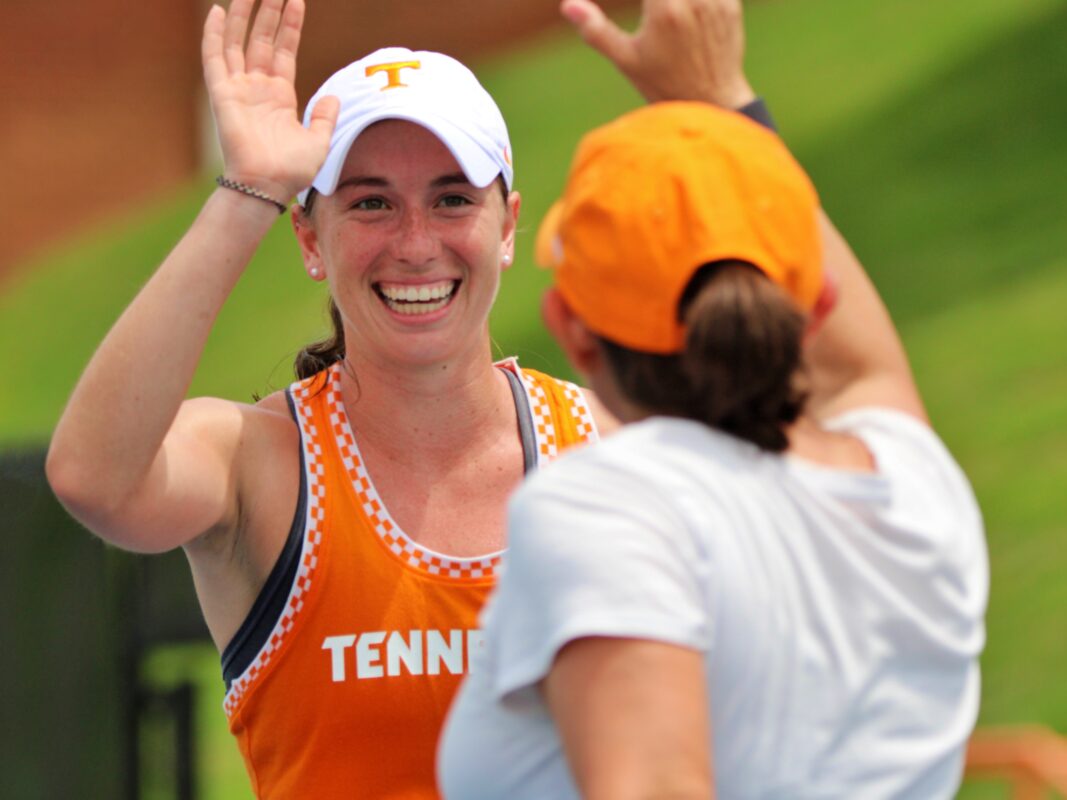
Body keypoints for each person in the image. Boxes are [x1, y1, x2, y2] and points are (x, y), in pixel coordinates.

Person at [44, 0, 771, 795]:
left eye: (453, 198)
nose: (416, 243)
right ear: (310, 238)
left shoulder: (606, 446)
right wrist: (246, 189)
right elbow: (96, 478)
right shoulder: (263, 463)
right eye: (371, 202)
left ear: (507, 227)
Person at [438, 102, 990, 798]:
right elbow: (863, 369)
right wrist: (725, 94)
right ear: (817, 308)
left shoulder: (610, 511)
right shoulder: (915, 485)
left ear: (572, 331)